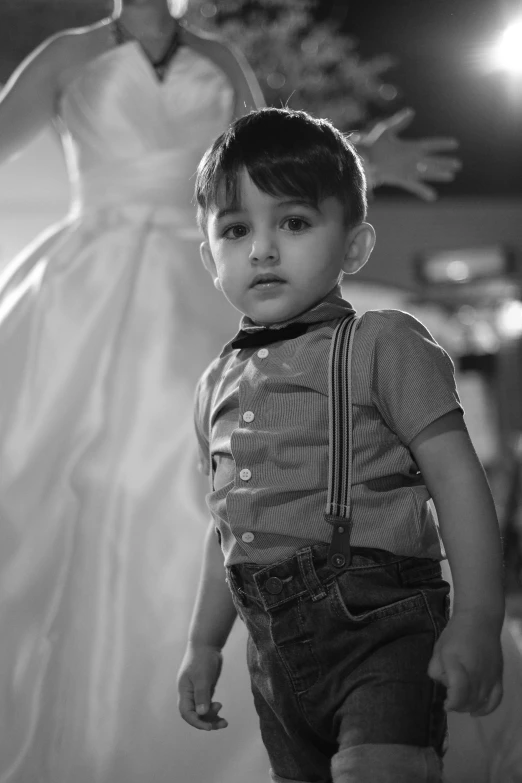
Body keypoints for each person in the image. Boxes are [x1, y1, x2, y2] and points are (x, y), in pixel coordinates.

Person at [0, 0, 464, 780]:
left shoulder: (219, 58)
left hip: (202, 274)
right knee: (69, 484)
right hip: (88, 283)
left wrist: (365, 163)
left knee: (235, 470)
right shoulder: (68, 53)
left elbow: (267, 168)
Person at [177, 107, 504, 783]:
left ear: (354, 247)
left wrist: (476, 617)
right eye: (237, 230)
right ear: (211, 256)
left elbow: (458, 479)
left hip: (382, 629)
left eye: (293, 223)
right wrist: (204, 642)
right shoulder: (215, 382)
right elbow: (227, 526)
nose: (262, 249)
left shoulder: (383, 342)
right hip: (273, 656)